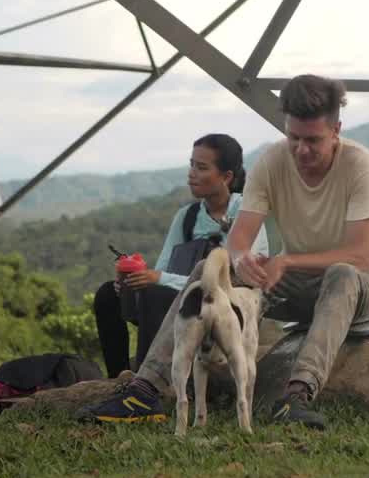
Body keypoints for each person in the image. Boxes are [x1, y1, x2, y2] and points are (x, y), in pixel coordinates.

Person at [85, 75, 369, 429]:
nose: (302, 150)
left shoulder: (359, 163)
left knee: (342, 272)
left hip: (357, 286)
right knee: (208, 269)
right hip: (293, 282)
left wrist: (286, 260)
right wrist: (242, 262)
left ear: (336, 129)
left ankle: (296, 396)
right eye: (294, 138)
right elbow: (239, 241)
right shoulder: (273, 162)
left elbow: (360, 254)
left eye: (313, 141)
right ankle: (144, 389)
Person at [91, 133, 268, 379]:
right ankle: (118, 377)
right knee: (108, 294)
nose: (191, 173)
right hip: (179, 299)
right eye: (191, 165)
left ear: (226, 177)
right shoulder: (187, 216)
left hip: (225, 305)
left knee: (155, 292)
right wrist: (132, 281)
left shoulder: (246, 211)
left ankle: (148, 384)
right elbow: (163, 269)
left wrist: (158, 279)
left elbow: (229, 275)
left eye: (202, 167)